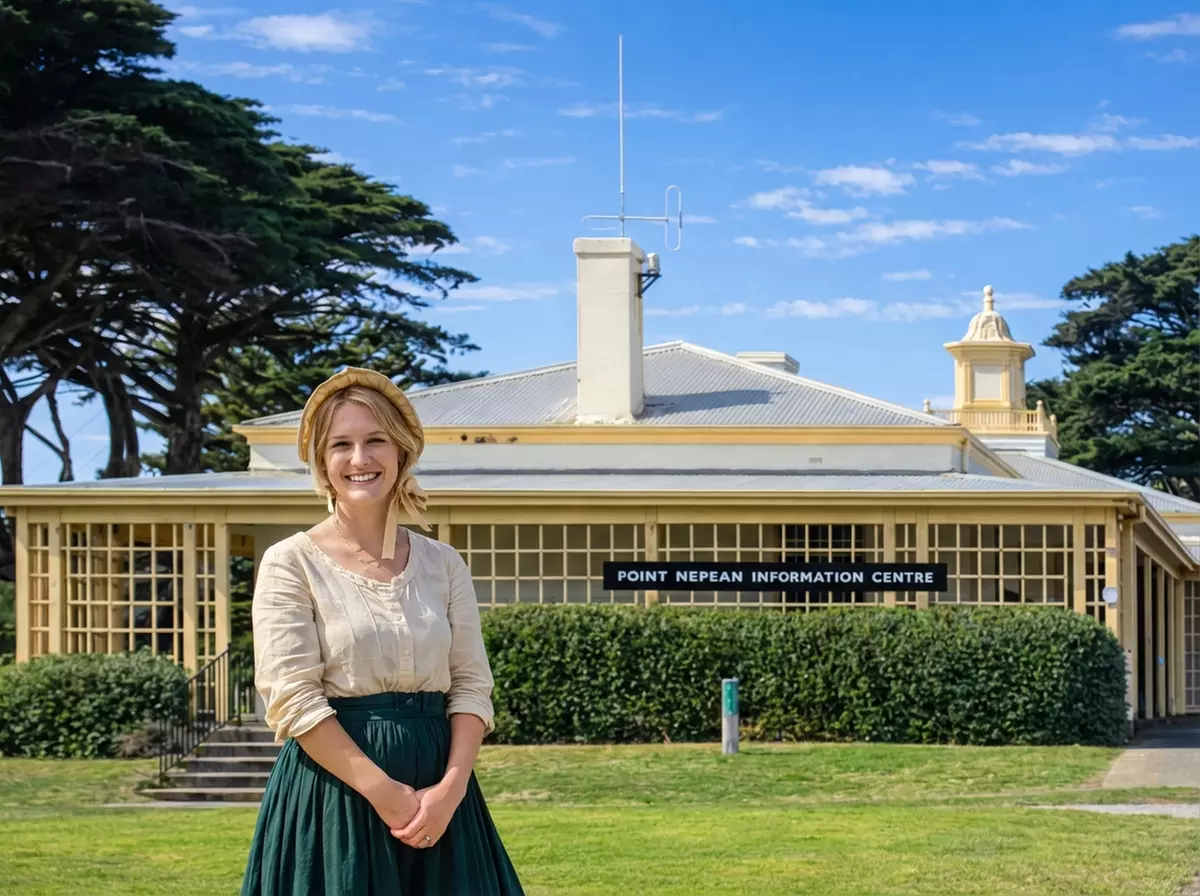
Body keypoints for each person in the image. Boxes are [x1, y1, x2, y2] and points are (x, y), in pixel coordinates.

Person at [240, 367, 524, 896]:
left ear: (401, 452)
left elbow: (470, 686)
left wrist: (449, 791)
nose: (359, 459)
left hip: (442, 794)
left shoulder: (444, 564)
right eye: (340, 445)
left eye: (375, 441)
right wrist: (385, 793)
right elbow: (293, 698)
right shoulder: (290, 563)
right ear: (322, 464)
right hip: (334, 794)